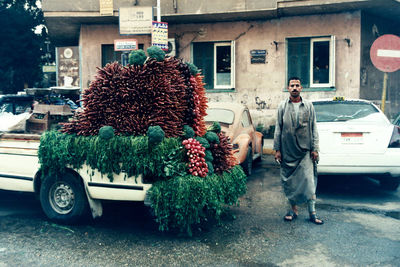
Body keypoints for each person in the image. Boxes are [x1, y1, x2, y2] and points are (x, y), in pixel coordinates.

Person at [273, 77, 323, 225]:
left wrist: (315, 148)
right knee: (290, 182)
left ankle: (312, 212)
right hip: (288, 152)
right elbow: (278, 128)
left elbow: (314, 127)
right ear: (288, 88)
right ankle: (293, 210)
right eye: (292, 85)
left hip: (305, 151)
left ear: (301, 88)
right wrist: (277, 150)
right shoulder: (282, 106)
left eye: (297, 85)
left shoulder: (308, 106)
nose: (294, 88)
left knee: (309, 181)